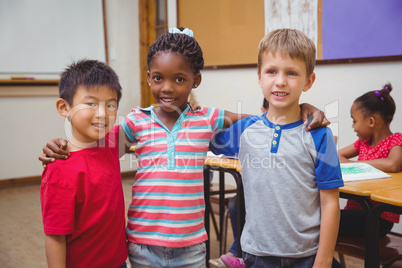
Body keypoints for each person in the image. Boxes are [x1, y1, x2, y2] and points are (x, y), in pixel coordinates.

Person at [39, 28, 329, 267]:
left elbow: (260, 120)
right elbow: (95, 146)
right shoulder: (136, 121)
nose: (167, 88)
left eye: (179, 79)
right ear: (149, 77)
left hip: (191, 246)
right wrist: (62, 143)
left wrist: (303, 106)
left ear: (195, 80)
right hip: (142, 243)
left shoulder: (208, 119)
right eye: (158, 78)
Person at [210, 29, 344, 267]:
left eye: (292, 73)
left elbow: (330, 203)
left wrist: (322, 261)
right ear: (259, 77)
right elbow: (196, 132)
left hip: (307, 256)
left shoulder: (319, 134)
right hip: (256, 254)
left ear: (309, 81)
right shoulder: (243, 131)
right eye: (271, 71)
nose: (280, 81)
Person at [40, 60, 128, 268]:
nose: (102, 113)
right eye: (91, 103)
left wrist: (189, 104)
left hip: (119, 263)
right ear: (64, 107)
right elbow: (55, 238)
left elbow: (150, 121)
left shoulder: (112, 143)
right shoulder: (59, 170)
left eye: (111, 104)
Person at [210, 98, 269, 268]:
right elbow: (216, 141)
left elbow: (217, 142)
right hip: (257, 193)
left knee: (240, 204)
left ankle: (239, 253)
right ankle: (240, 252)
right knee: (238, 203)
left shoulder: (251, 124)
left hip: (270, 199)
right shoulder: (249, 126)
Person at [337, 83, 402, 238]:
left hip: (379, 219)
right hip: (355, 211)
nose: (353, 127)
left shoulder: (396, 140)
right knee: (320, 218)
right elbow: (335, 156)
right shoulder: (363, 143)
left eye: (354, 121)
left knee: (321, 220)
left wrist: (353, 165)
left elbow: (393, 164)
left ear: (371, 122)